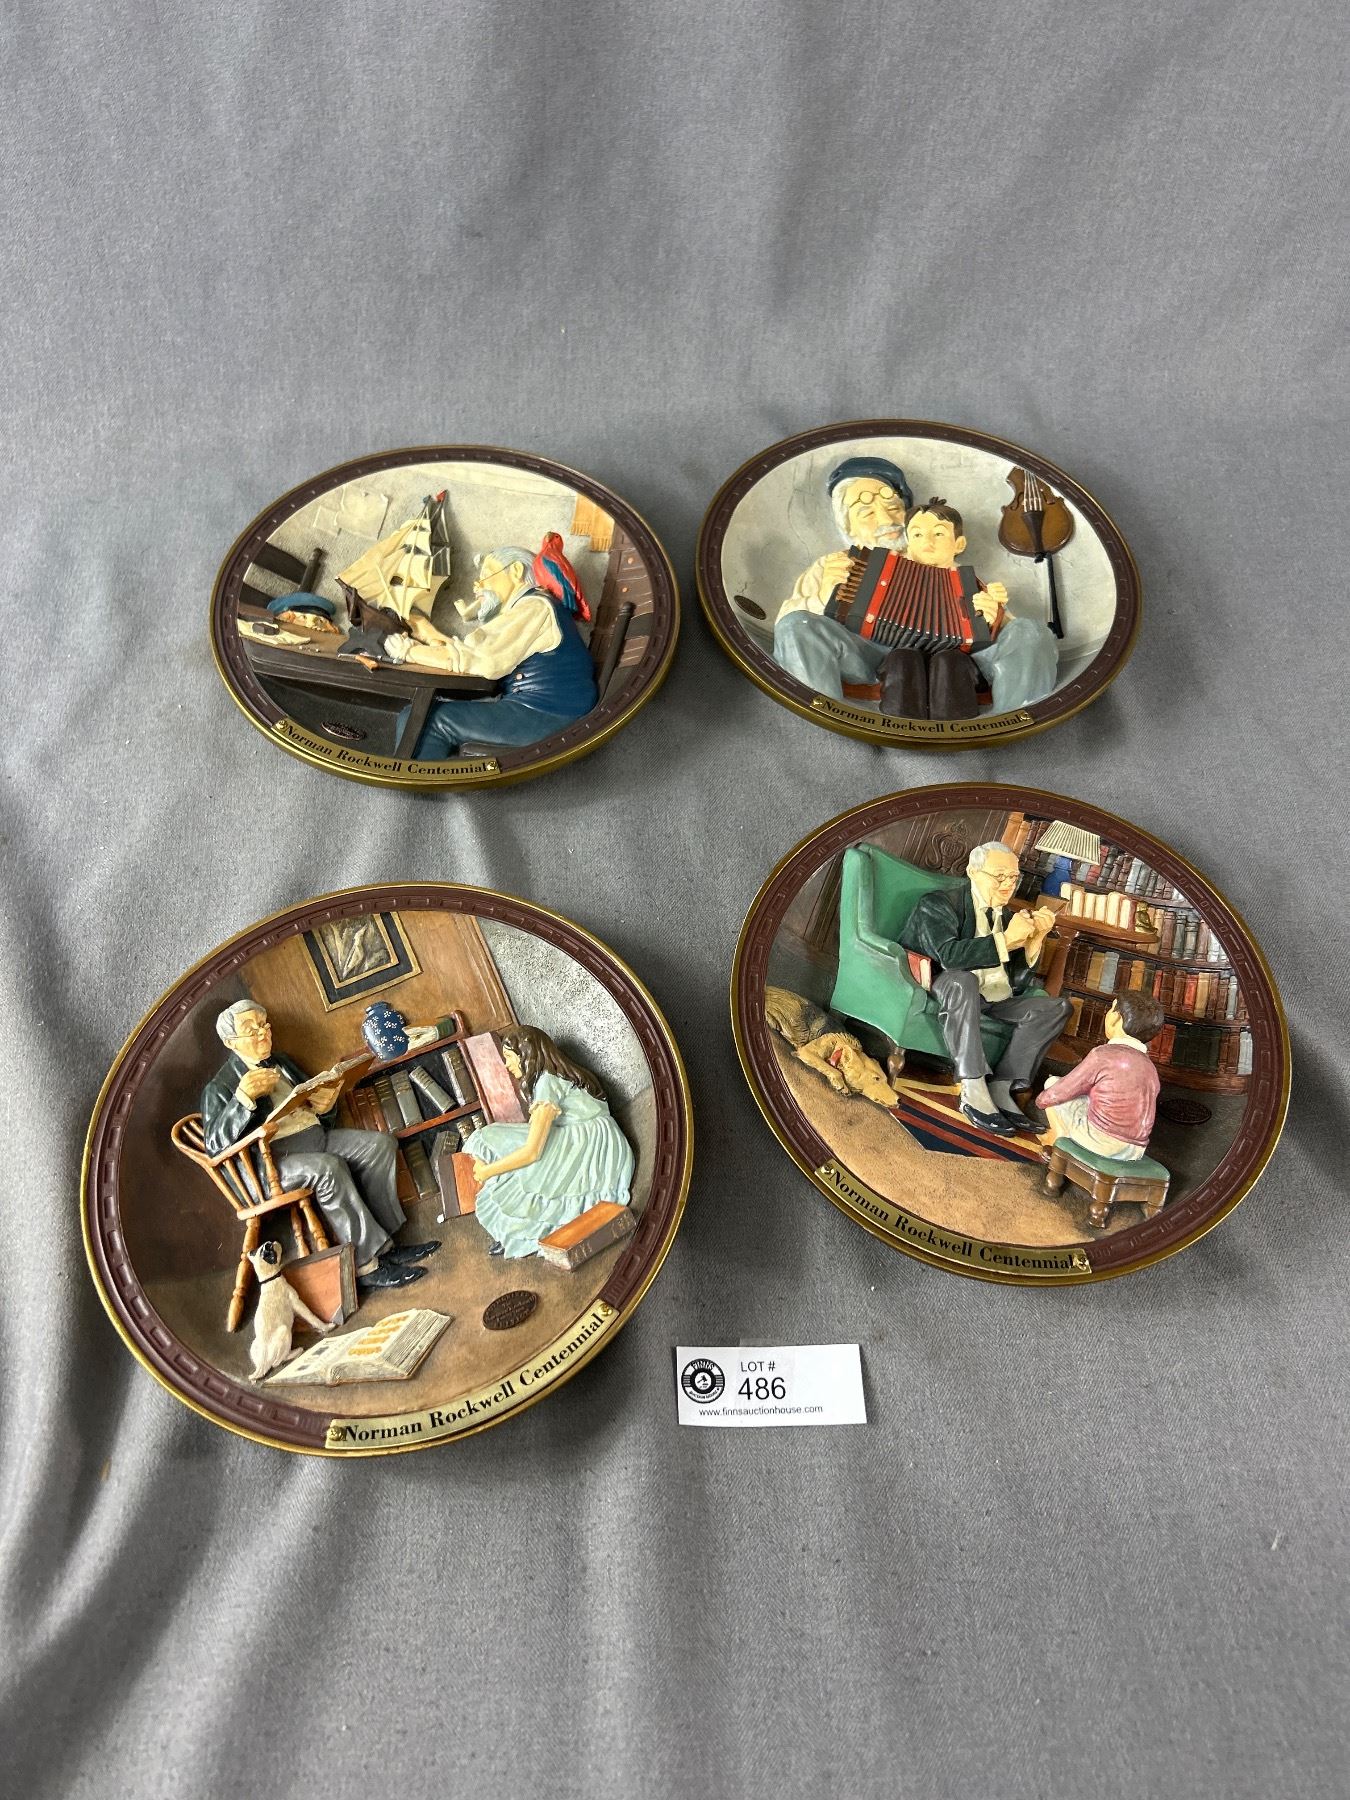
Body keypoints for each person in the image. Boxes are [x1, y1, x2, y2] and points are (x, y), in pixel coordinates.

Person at [771, 457, 1058, 715]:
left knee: (1031, 631)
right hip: (868, 654)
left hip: (956, 661)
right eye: (867, 513)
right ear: (848, 527)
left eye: (893, 508)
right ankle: (823, 715)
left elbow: (1011, 638)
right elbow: (789, 626)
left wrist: (994, 618)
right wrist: (823, 597)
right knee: (796, 624)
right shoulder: (834, 564)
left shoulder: (953, 571)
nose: (886, 520)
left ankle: (1013, 719)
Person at [200, 1002, 437, 1291]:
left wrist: (325, 1106)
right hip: (273, 1163)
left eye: (264, 1025)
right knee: (328, 1168)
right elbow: (214, 1146)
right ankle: (367, 1265)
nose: (263, 1033)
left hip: (315, 1138)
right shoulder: (219, 1087)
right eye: (251, 1030)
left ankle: (387, 1246)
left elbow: (312, 1102)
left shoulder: (282, 1061)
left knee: (379, 1145)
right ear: (230, 1042)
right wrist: (242, 1100)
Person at [900, 841, 1071, 1137]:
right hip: (947, 984)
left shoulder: (1007, 918)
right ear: (972, 871)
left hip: (992, 998)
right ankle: (973, 1086)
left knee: (1057, 1007)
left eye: (1013, 878)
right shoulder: (939, 903)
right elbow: (948, 957)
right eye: (999, 876)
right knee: (963, 980)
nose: (1008, 886)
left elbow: (1017, 983)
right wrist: (1006, 941)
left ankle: (1002, 1087)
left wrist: (1034, 941)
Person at [380, 545, 597, 760]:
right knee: (418, 714)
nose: (477, 585)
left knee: (424, 719)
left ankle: (416, 779)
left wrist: (408, 651)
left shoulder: (534, 607)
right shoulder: (531, 606)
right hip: (544, 709)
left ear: (516, 571)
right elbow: (475, 654)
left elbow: (482, 660)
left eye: (486, 575)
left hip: (548, 714)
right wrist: (430, 636)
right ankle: (419, 775)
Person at [465, 1027, 634, 1260]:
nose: (507, 1065)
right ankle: (515, 1231)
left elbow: (532, 1151)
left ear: (527, 1056)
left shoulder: (547, 1083)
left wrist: (488, 1171)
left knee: (502, 1150)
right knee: (499, 1144)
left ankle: (520, 1233)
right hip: (592, 1135)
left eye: (510, 1057)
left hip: (589, 1146)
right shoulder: (554, 1077)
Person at [875, 498, 1006, 720]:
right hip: (899, 655)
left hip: (956, 661)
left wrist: (993, 616)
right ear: (908, 543)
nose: (927, 542)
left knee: (950, 661)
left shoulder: (971, 584)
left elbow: (997, 636)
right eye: (917, 534)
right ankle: (901, 726)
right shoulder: (889, 579)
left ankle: (956, 729)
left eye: (938, 533)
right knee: (902, 659)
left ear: (959, 544)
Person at [1036, 992, 1164, 1160]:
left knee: (1053, 1084)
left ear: (1116, 1018)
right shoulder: (1150, 1068)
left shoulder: (1104, 1055)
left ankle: (1059, 1141)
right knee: (1087, 1099)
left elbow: (1063, 1090)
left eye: (1111, 1009)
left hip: (1100, 1141)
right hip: (1135, 1150)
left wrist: (1041, 1101)